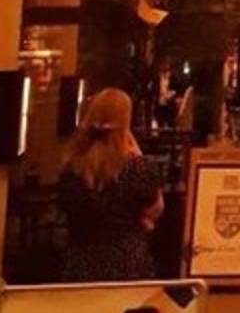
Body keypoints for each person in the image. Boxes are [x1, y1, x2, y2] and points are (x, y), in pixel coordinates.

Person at [59, 88, 164, 282]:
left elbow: (67, 207)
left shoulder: (72, 167)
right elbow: (156, 209)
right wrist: (143, 221)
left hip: (82, 265)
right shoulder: (137, 166)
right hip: (128, 264)